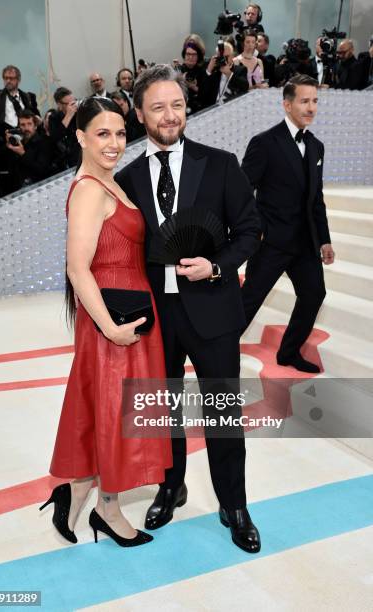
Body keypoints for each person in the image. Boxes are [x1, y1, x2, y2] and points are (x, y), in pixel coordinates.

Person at [115, 65, 261, 553]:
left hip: (213, 311)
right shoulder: (128, 179)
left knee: (223, 414)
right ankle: (170, 486)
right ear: (139, 114)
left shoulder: (220, 165)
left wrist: (216, 267)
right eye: (157, 107)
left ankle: (234, 504)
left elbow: (249, 231)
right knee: (166, 412)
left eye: (177, 104)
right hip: (156, 318)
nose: (170, 114)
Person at [43, 97, 172, 547]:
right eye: (102, 133)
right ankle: (107, 508)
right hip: (111, 323)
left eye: (119, 133)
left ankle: (77, 491)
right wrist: (109, 329)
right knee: (118, 414)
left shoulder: (110, 183)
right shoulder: (89, 191)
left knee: (111, 410)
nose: (115, 143)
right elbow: (78, 269)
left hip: (129, 315)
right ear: (80, 137)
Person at [241, 74, 334, 373]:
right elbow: (242, 193)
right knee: (249, 301)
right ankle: (216, 351)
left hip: (305, 242)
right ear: (287, 104)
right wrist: (259, 229)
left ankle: (289, 352)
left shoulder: (317, 147)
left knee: (314, 294)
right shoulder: (264, 143)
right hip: (271, 242)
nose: (311, 107)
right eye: (305, 101)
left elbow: (315, 199)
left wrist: (324, 239)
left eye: (315, 101)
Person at [0, 65, 40, 143]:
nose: (8, 81)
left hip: (26, 142)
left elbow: (37, 118)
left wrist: (37, 120)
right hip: (3, 141)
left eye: (11, 78)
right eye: (5, 78)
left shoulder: (29, 97)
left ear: (18, 80)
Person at [5, 109, 54, 190]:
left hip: (39, 188)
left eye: (29, 124)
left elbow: (42, 170)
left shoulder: (44, 142)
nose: (26, 128)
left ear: (35, 126)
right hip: (18, 189)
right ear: (19, 127)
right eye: (23, 125)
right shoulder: (18, 143)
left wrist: (23, 154)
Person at [200, 41, 249, 107]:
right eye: (221, 57)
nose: (224, 60)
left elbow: (245, 87)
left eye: (226, 57)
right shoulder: (214, 71)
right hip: (211, 109)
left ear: (232, 56)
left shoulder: (240, 70)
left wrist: (229, 74)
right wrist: (209, 70)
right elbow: (202, 94)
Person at [173, 34, 207, 114]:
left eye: (194, 54)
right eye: (188, 54)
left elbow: (207, 96)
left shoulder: (205, 70)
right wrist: (180, 82)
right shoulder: (178, 70)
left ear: (199, 55)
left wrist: (192, 86)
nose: (190, 57)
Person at [48, 87, 80, 170]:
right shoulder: (53, 117)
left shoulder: (79, 113)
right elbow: (56, 137)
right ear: (59, 105)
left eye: (74, 102)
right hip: (67, 160)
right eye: (70, 104)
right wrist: (69, 115)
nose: (74, 106)